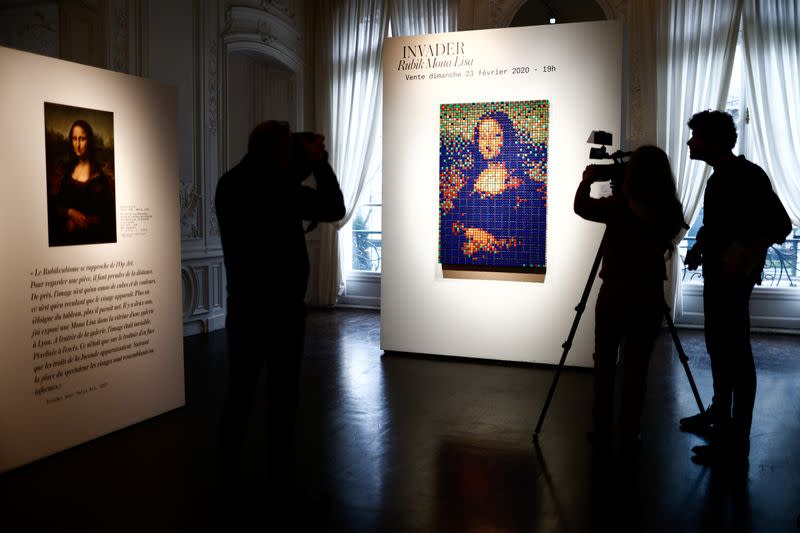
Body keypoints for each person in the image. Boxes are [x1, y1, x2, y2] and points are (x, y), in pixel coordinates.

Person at [214, 121, 345, 519]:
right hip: (281, 309)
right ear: (277, 151)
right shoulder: (280, 186)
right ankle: (284, 492)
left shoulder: (230, 183)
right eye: (289, 148)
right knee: (282, 399)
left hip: (242, 305)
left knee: (240, 393)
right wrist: (319, 162)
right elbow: (333, 207)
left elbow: (272, 193)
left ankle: (226, 481)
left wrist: (296, 162)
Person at [679, 110, 791, 465]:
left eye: (696, 136)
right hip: (720, 277)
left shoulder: (746, 176)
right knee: (720, 347)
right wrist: (700, 249)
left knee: (735, 354)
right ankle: (721, 416)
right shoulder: (721, 178)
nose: (689, 142)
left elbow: (781, 225)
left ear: (714, 140)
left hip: (733, 280)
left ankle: (736, 436)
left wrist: (743, 253)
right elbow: (718, 227)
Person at [574, 145, 686, 456]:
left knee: (605, 362)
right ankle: (630, 431)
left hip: (614, 293)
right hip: (648, 295)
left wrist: (586, 180)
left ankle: (601, 429)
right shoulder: (670, 210)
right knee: (637, 368)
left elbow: (581, 207)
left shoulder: (619, 207)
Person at [439, 109, 547, 270]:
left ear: (507, 139)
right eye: (482, 136)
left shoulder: (521, 185)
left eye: (495, 136)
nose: (487, 142)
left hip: (506, 264)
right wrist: (469, 232)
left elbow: (532, 238)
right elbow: (450, 223)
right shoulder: (468, 181)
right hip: (467, 262)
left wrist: (494, 244)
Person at [49, 119, 116, 246]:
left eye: (82, 139)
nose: (77, 144)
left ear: (89, 140)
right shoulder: (66, 170)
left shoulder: (99, 176)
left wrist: (79, 222)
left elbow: (106, 215)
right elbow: (56, 204)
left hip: (92, 240)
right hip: (66, 240)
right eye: (74, 138)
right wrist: (70, 212)